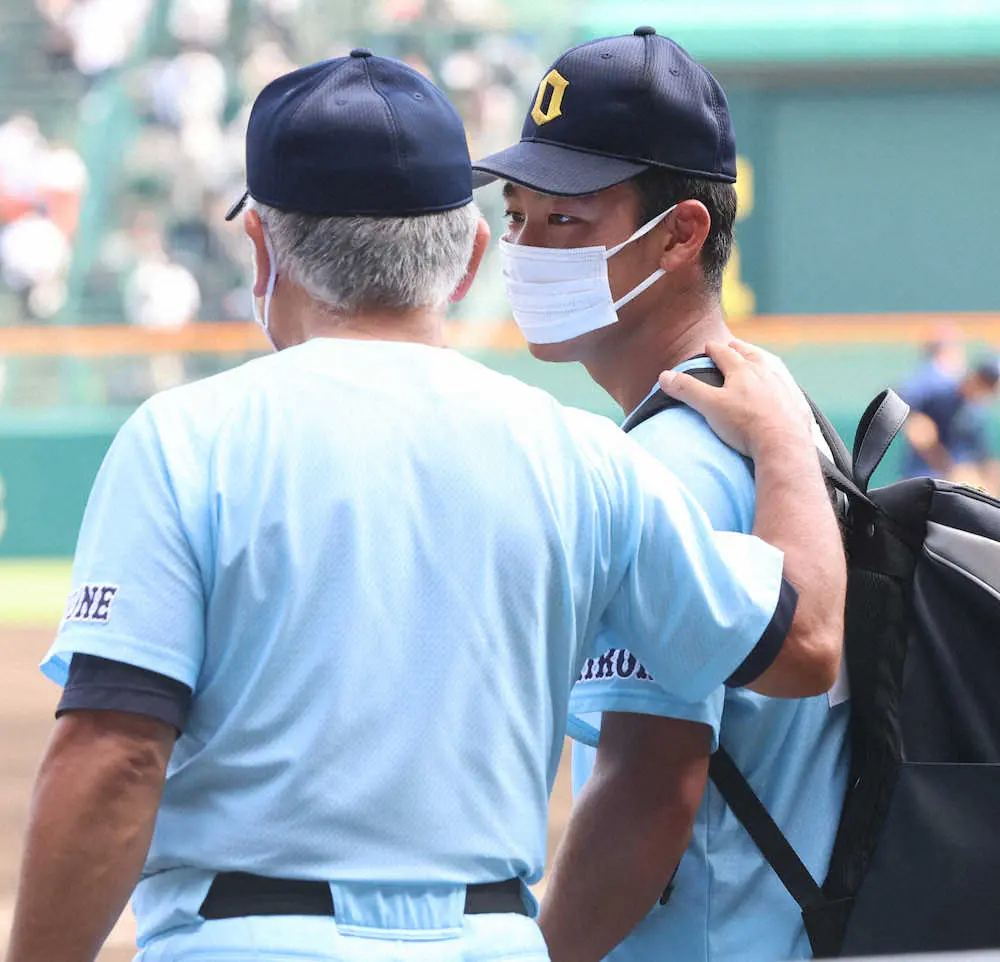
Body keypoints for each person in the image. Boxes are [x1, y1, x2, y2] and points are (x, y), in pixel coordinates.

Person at [7, 52, 843, 962]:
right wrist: (790, 442)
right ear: (472, 255)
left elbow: (118, 753)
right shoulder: (583, 456)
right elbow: (801, 646)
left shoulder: (187, 437)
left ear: (260, 247)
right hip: (489, 938)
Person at [474, 27, 850, 962]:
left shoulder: (674, 465)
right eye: (517, 215)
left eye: (564, 220)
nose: (523, 247)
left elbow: (649, 794)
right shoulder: (772, 427)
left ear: (681, 233)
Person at [899, 353, 1000, 492]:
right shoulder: (941, 390)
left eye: (990, 385)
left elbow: (982, 456)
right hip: (924, 480)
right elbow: (897, 398)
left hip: (958, 482)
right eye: (984, 380)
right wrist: (914, 418)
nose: (985, 388)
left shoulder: (976, 412)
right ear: (975, 376)